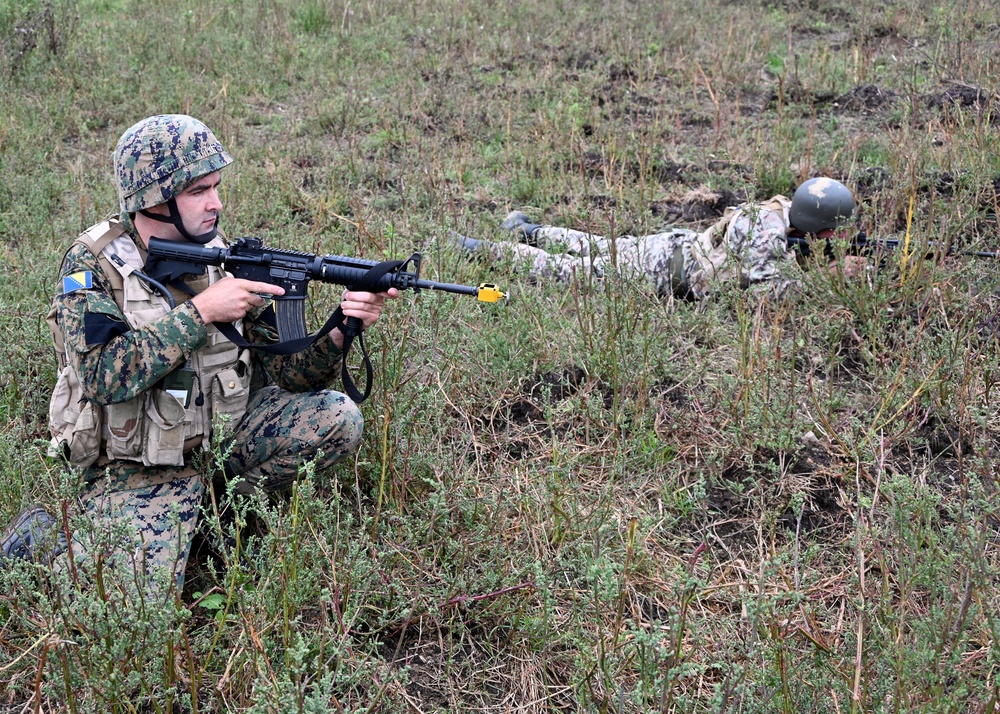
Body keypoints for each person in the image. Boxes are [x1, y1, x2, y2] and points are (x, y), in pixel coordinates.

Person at [0, 115, 396, 593]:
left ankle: (210, 519)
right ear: (154, 200)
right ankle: (43, 544)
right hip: (136, 466)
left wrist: (341, 329)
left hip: (217, 444)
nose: (217, 203)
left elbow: (289, 374)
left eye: (216, 187)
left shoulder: (220, 253)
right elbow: (102, 376)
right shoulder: (93, 265)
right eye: (198, 191)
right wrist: (202, 312)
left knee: (338, 418)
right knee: (132, 612)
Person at [454, 177, 859, 299]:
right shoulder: (768, 230)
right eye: (828, 231)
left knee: (593, 244)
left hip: (676, 249)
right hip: (665, 271)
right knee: (569, 269)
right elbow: (762, 294)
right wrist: (828, 279)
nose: (829, 238)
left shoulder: (781, 214)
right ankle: (477, 249)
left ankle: (527, 230)